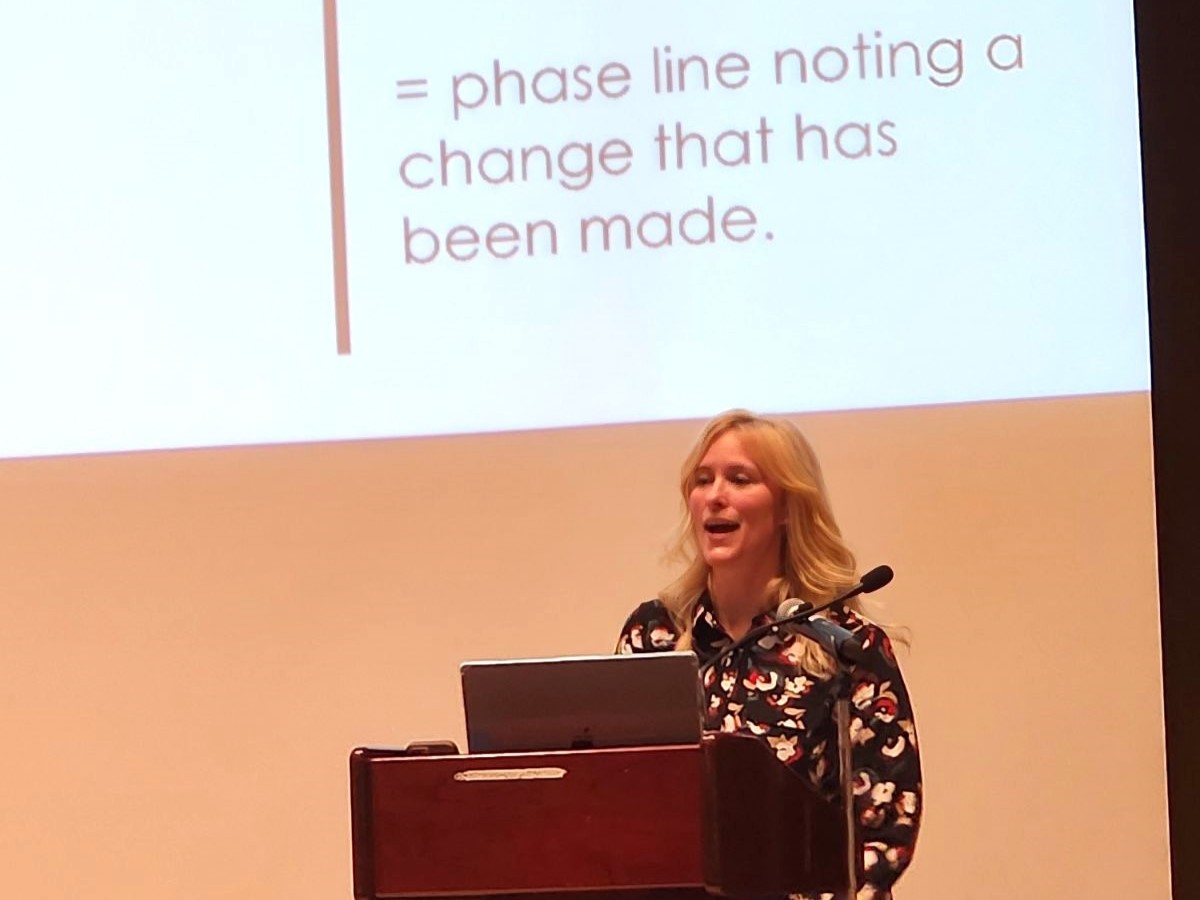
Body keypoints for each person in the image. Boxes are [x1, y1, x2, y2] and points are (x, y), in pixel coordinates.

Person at [617, 410, 921, 900]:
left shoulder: (844, 646)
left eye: (739, 479)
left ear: (786, 507)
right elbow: (620, 790)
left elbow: (886, 823)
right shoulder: (655, 633)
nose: (715, 495)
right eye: (703, 480)